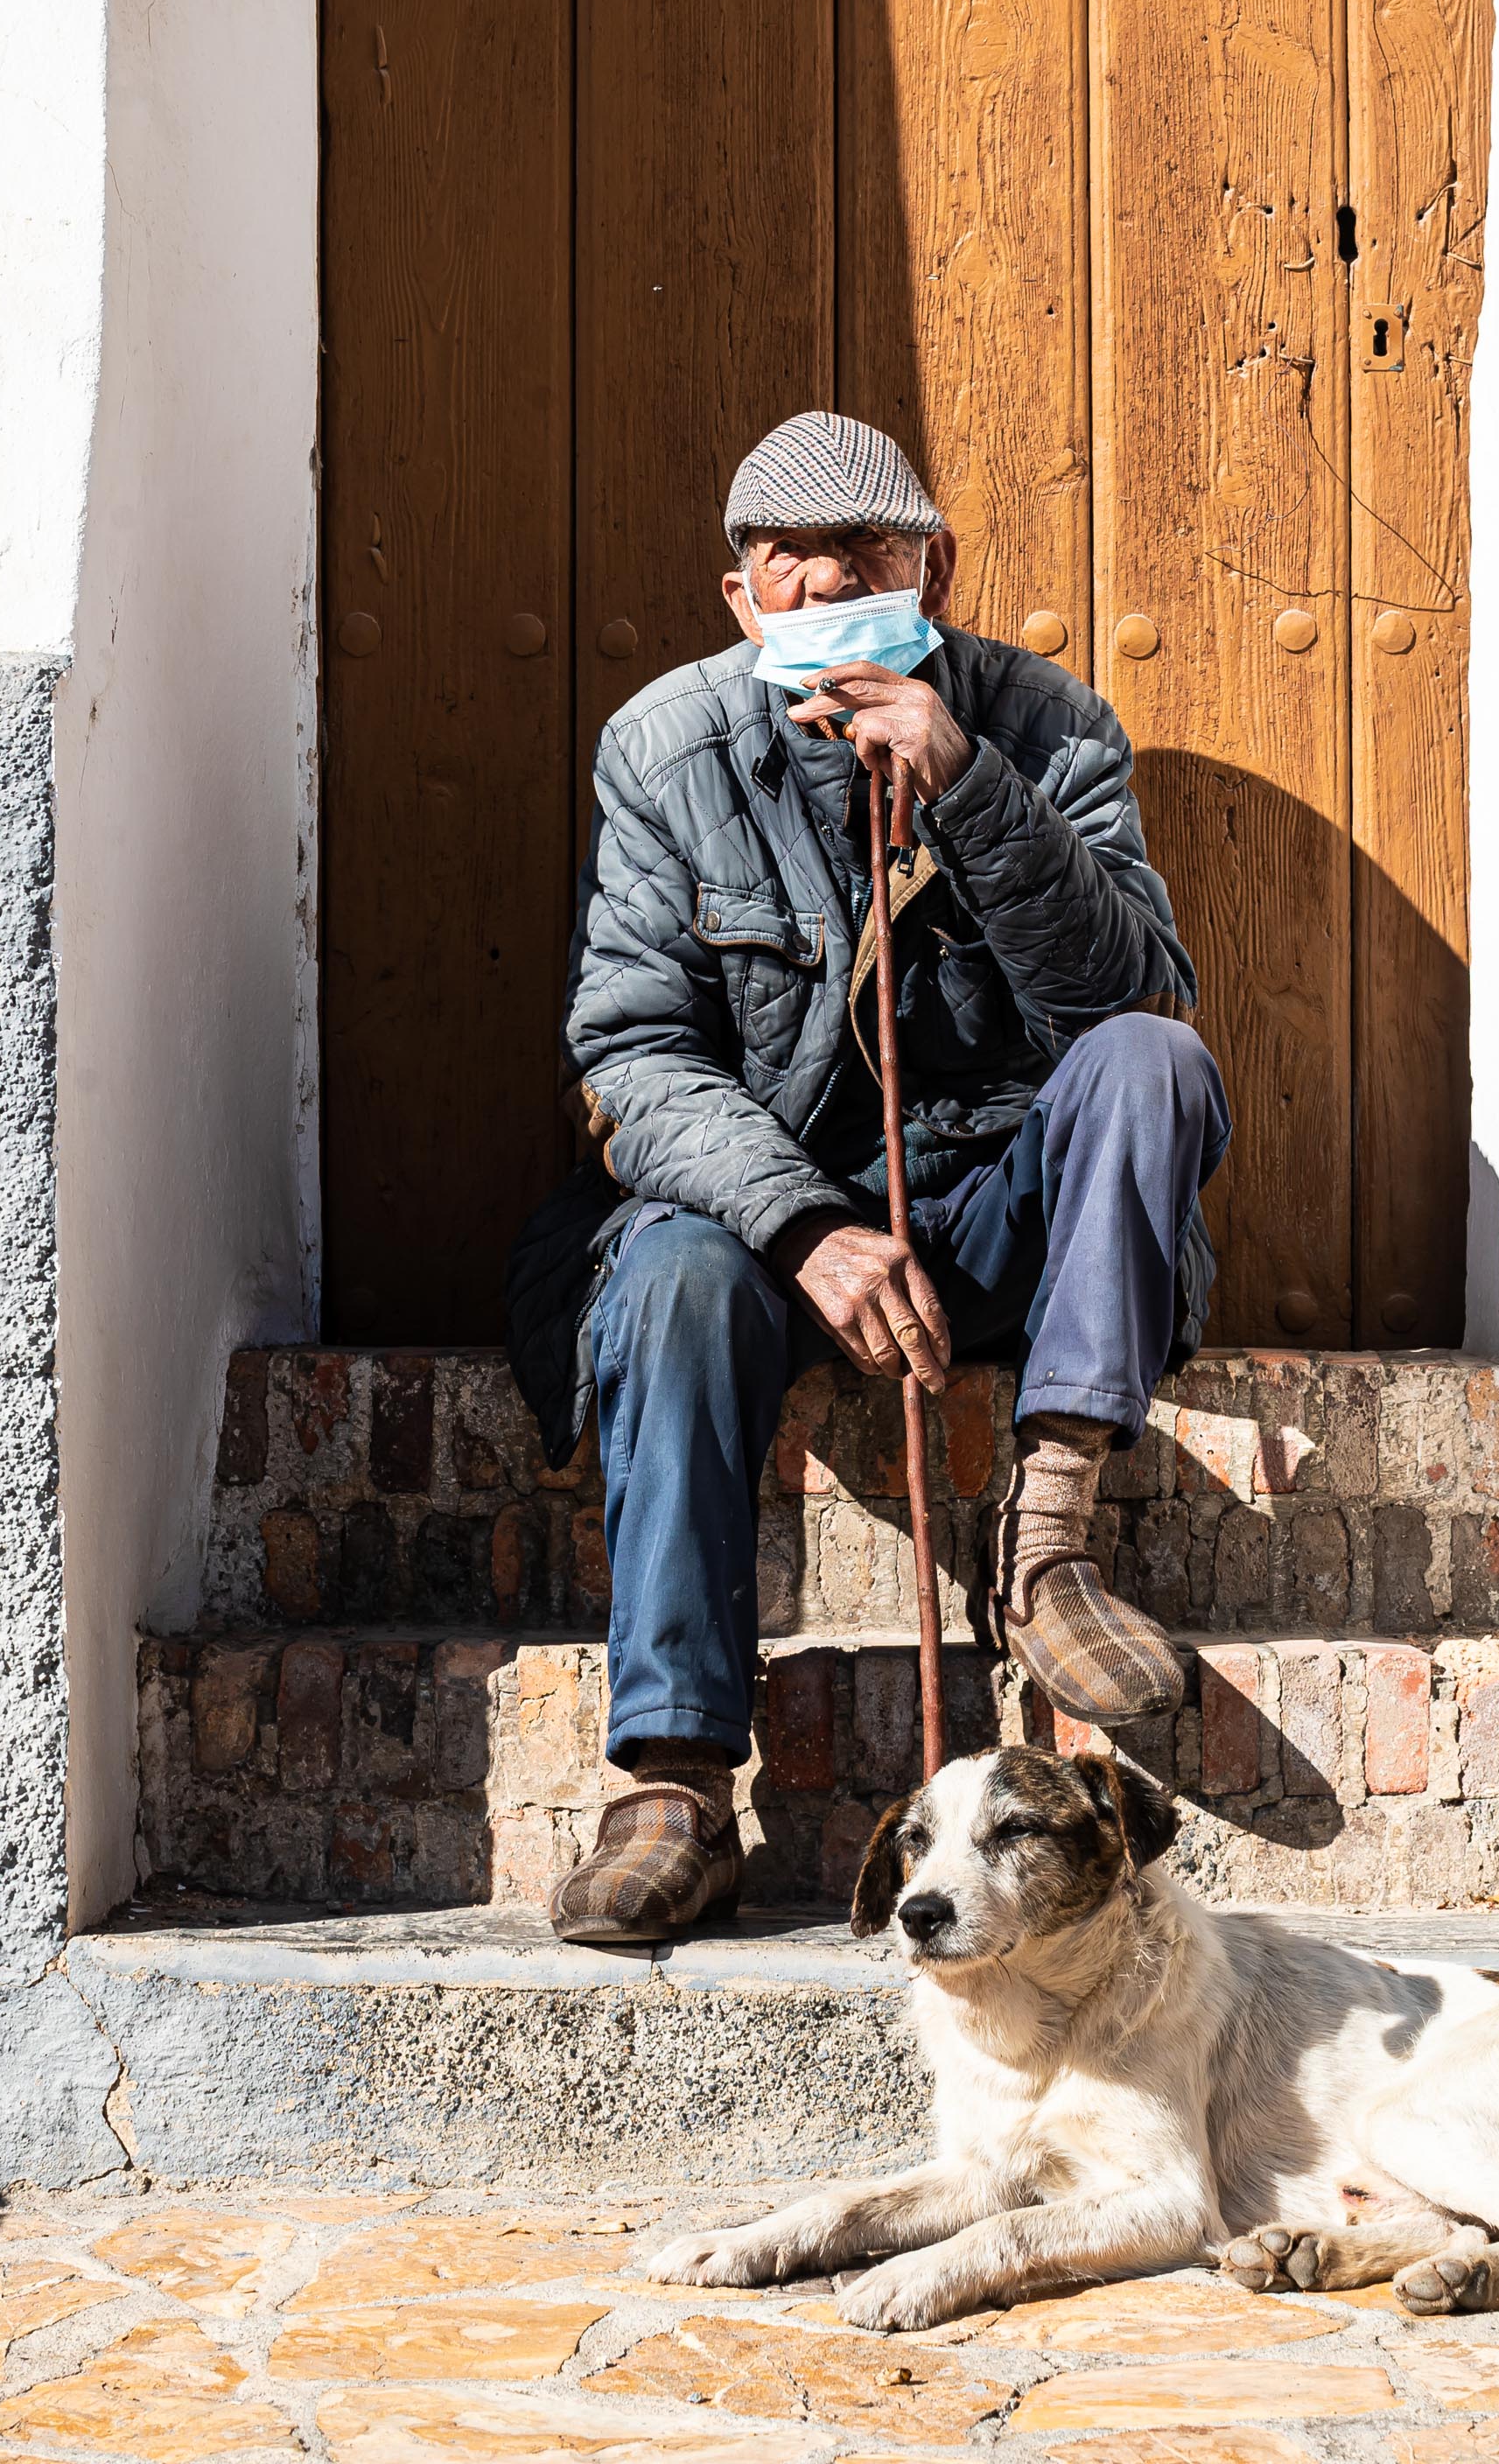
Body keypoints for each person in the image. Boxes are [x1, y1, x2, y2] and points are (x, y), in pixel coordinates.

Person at [506, 410, 1230, 1942]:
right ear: (741, 597)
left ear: (936, 572)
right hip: (779, 1220)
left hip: (1001, 1210)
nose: (831, 592)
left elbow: (1125, 997)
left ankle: (1045, 1550)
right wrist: (805, 1223)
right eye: (794, 567)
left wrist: (969, 785)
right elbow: (633, 1055)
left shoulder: (1046, 722)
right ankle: (677, 1780)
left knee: (1157, 1066)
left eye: (870, 563)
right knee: (668, 1273)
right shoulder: (663, 746)